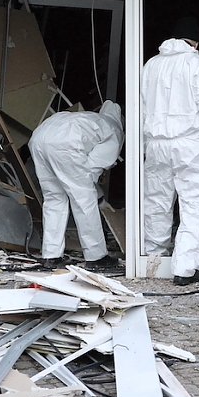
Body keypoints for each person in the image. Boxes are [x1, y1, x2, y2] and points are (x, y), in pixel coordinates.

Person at [141, 16, 199, 286]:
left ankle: (153, 260)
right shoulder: (197, 64)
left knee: (157, 204)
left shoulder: (151, 65)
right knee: (193, 206)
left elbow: (142, 108)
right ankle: (183, 269)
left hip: (156, 144)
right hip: (190, 145)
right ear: (195, 42)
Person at [28, 101, 124, 271]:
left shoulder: (91, 119)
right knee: (83, 201)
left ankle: (51, 255)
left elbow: (83, 173)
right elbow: (92, 170)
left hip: (39, 136)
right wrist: (97, 197)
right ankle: (96, 257)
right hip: (66, 142)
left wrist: (95, 192)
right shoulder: (115, 130)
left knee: (54, 199)